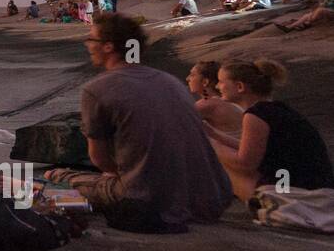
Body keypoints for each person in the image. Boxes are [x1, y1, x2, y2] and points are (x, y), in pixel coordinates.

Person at [44, 14, 233, 232]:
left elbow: (100, 159)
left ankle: (59, 176)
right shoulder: (171, 81)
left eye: (91, 40)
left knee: (59, 176)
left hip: (151, 202)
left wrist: (119, 173)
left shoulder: (97, 90)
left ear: (107, 47)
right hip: (211, 199)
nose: (87, 45)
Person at [204, 59, 334, 201]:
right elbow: (250, 149)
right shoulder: (276, 109)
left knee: (222, 161)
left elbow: (245, 164)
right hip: (312, 186)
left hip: (291, 195)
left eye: (221, 81)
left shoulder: (255, 115)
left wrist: (212, 146)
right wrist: (213, 134)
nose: (217, 86)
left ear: (240, 86)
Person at [186, 60, 242, 140]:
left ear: (205, 82)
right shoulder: (228, 101)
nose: (187, 78)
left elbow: (175, 122)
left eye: (192, 75)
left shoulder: (208, 105)